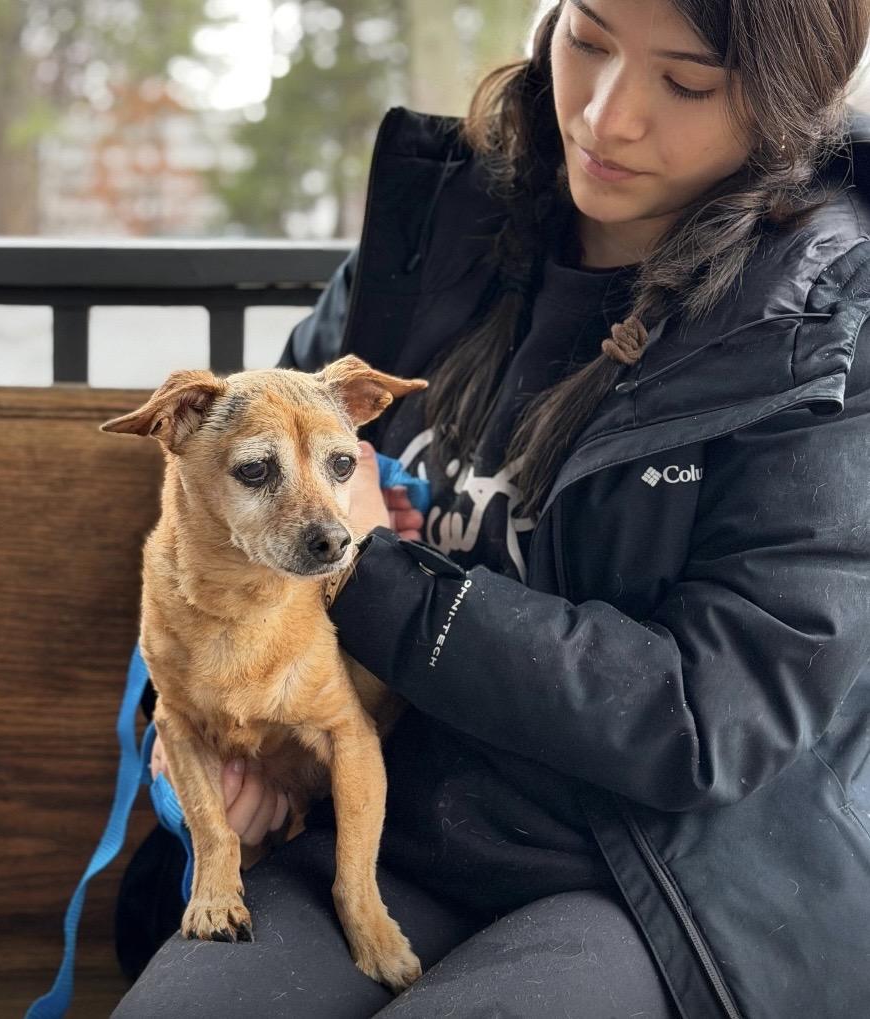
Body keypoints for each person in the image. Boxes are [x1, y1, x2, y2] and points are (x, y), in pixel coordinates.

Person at [113, 0, 870, 1015]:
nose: (605, 116)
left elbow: (709, 716)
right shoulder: (441, 226)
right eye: (588, 40)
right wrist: (217, 753)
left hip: (654, 878)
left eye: (683, 82)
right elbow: (209, 520)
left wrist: (377, 579)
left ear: (790, 103)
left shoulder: (826, 324)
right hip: (382, 817)